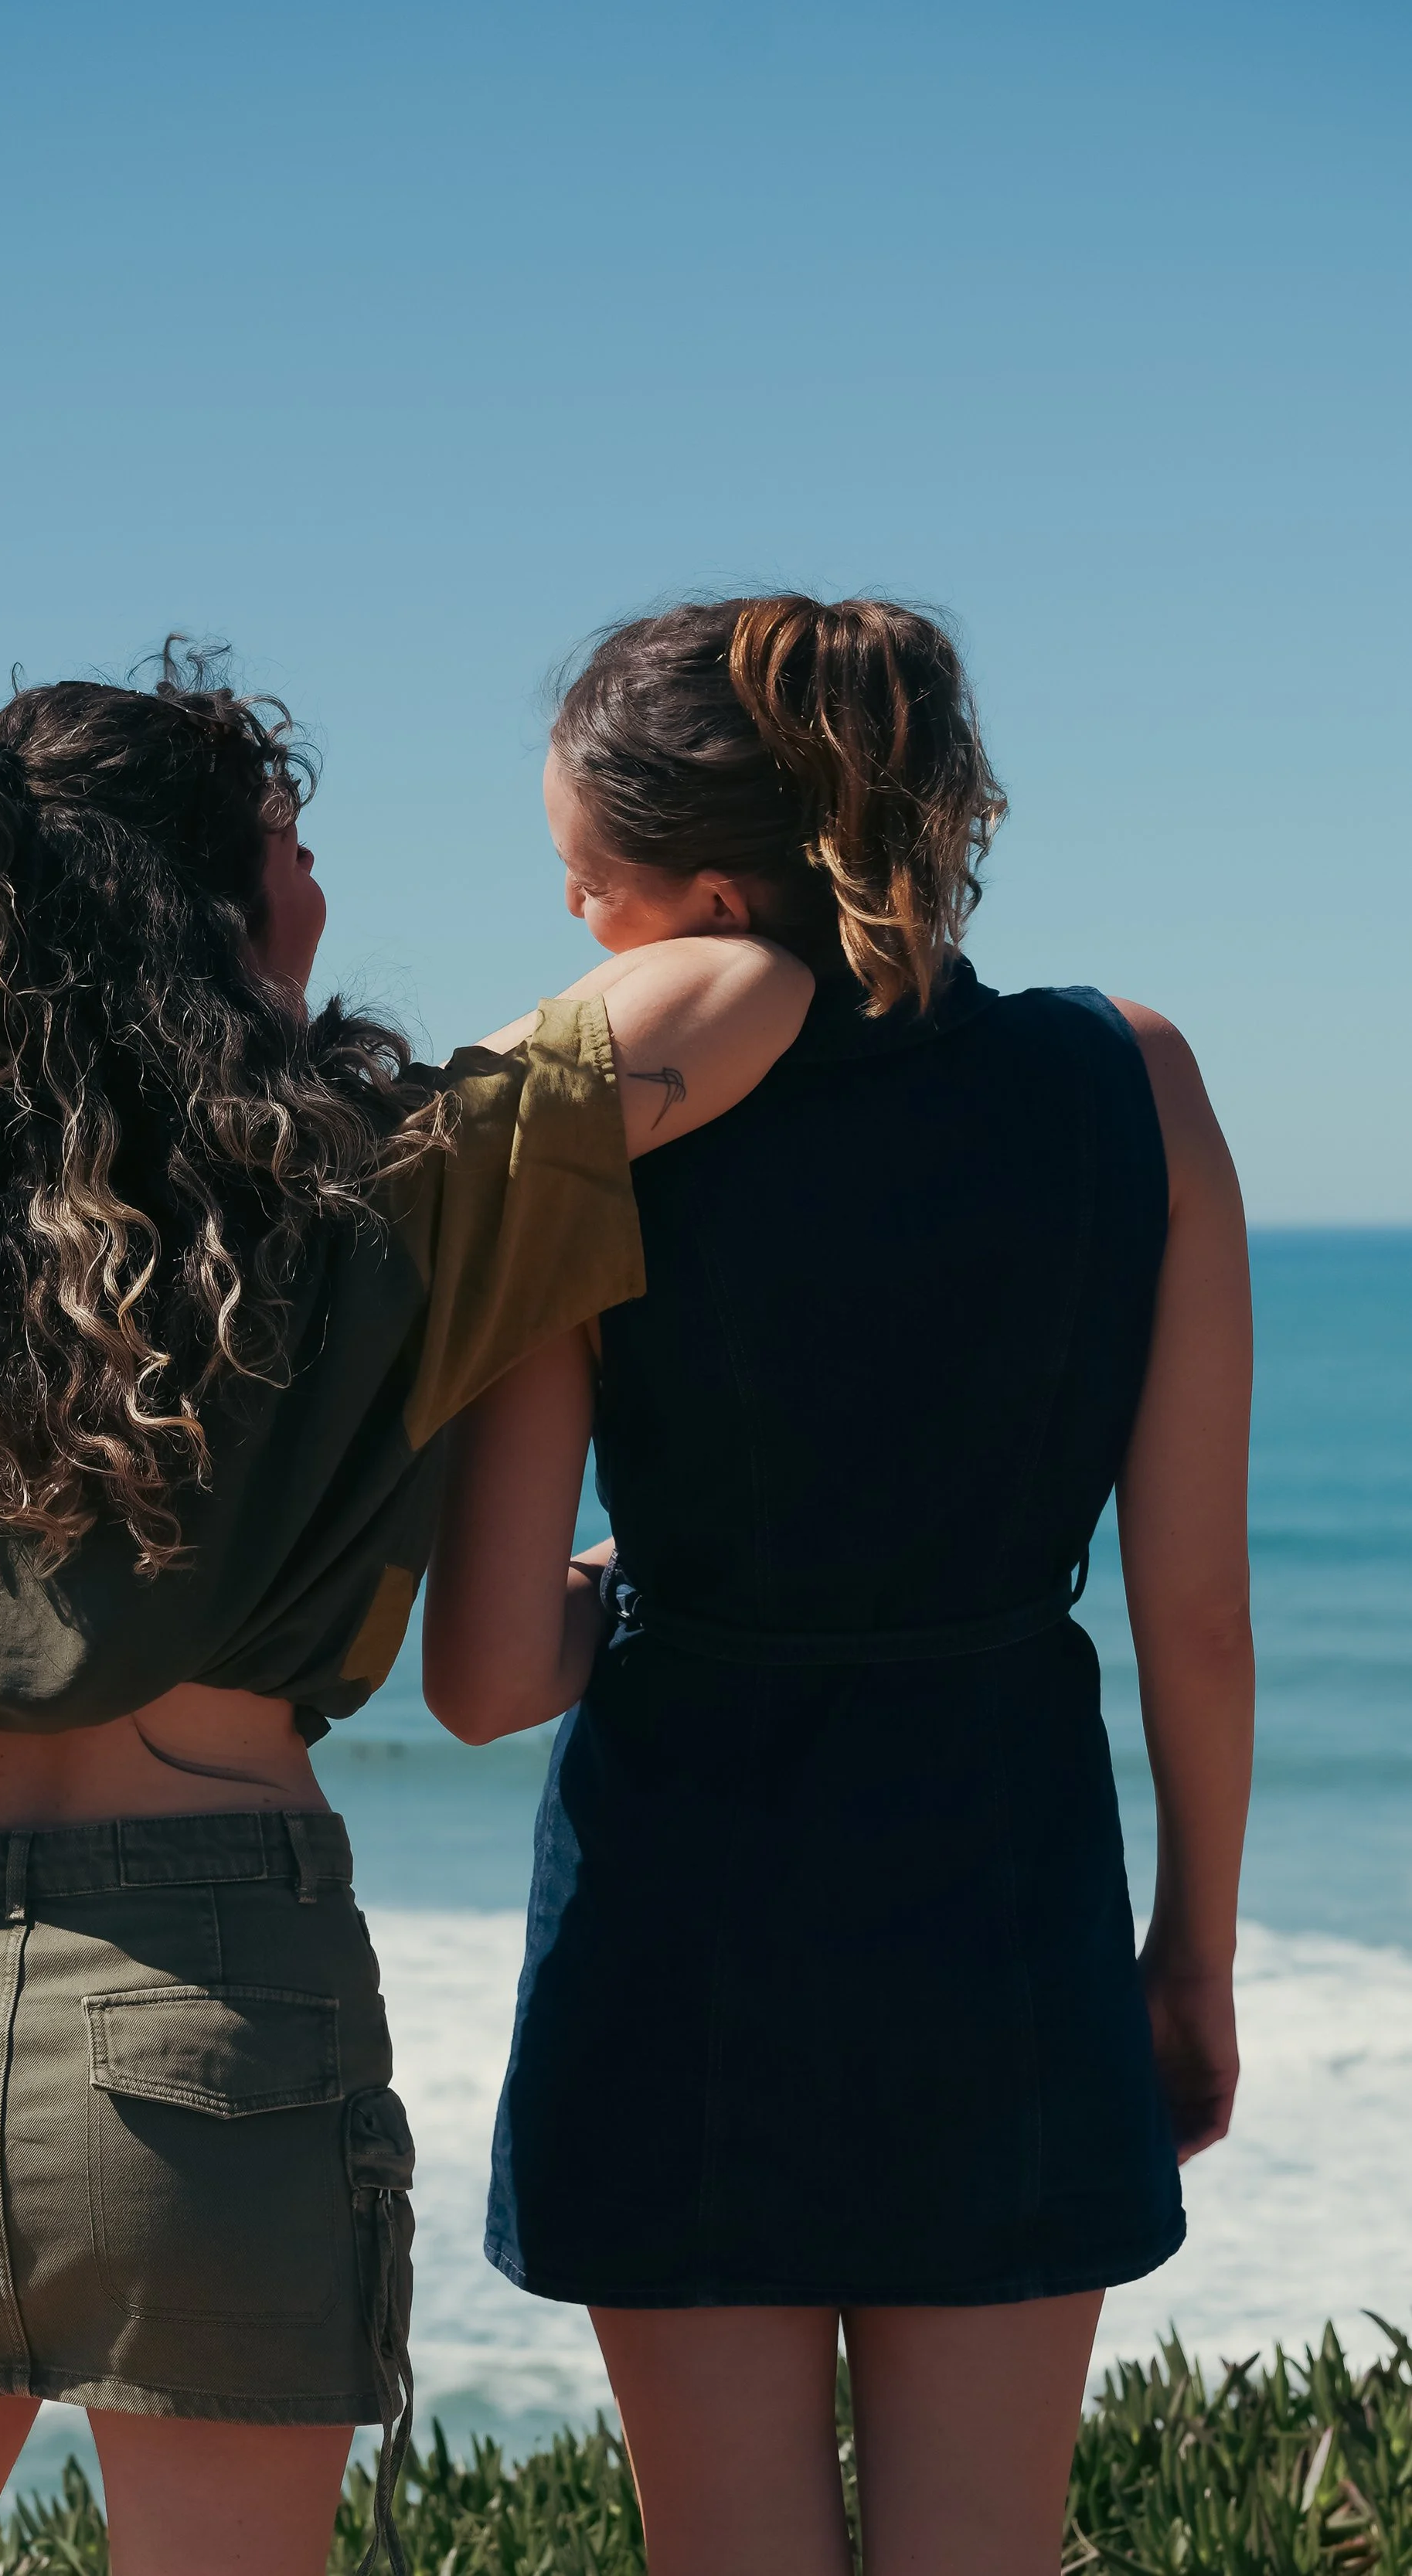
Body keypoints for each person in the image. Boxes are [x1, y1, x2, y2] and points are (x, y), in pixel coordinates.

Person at [0, 650, 812, 2576]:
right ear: (195, 908)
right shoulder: (376, 1200)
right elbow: (744, 986)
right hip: (214, 2019)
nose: (314, 889)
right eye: (283, 851)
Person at [423, 596, 1254, 2576]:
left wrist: (644, 1578)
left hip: (682, 1913)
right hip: (1002, 1897)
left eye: (584, 887)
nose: (571, 928)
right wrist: (1189, 1949)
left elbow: (477, 1679)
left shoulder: (582, 1148)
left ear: (706, 897)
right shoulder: (1130, 1081)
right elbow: (1192, 1622)